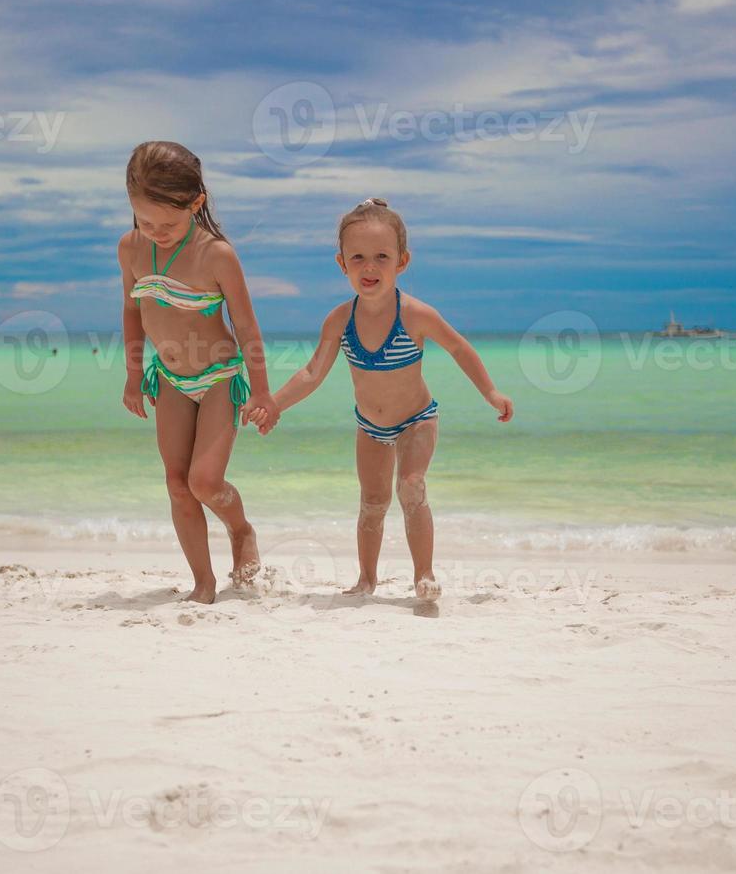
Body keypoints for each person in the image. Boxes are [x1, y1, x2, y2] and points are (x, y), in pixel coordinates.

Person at [254, 198, 513, 600]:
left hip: (417, 419)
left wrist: (491, 393)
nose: (369, 267)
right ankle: (366, 580)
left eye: (381, 257)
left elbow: (460, 348)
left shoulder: (416, 315)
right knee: (372, 503)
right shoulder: (339, 320)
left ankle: (423, 574)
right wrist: (273, 403)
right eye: (357, 257)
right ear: (342, 263)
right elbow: (311, 373)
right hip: (370, 427)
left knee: (411, 486)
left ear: (402, 261)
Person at [118, 141, 279, 603]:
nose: (155, 231)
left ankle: (241, 529)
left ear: (196, 203)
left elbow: (246, 326)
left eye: (167, 223)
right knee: (176, 484)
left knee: (204, 482)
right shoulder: (130, 249)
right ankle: (203, 583)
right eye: (145, 220)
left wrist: (263, 392)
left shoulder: (216, 255)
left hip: (218, 378)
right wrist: (133, 376)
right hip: (168, 378)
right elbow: (133, 313)